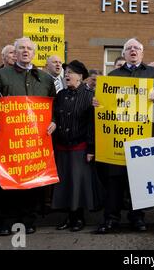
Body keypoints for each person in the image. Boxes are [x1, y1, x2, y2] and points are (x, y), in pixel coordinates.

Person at [0, 37, 56, 236]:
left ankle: (28, 219)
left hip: (35, 140)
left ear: (34, 53)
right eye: (21, 48)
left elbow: (54, 106)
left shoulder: (46, 78)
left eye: (29, 49)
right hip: (8, 138)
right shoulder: (1, 75)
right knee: (7, 180)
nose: (25, 51)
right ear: (14, 53)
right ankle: (6, 221)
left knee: (32, 180)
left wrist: (53, 122)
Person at [94, 38, 154, 234]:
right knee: (114, 180)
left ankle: (137, 218)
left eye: (137, 48)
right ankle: (111, 218)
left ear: (142, 53)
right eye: (129, 48)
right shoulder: (113, 75)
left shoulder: (153, 73)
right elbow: (108, 104)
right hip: (118, 135)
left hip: (142, 135)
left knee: (138, 179)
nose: (133, 50)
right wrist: (99, 104)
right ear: (124, 54)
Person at [52, 60, 102, 232]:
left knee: (78, 184)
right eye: (66, 72)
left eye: (71, 72)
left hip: (79, 147)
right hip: (62, 146)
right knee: (64, 184)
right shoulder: (60, 95)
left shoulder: (90, 96)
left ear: (80, 76)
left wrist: (91, 149)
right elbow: (54, 118)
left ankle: (78, 218)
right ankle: (68, 217)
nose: (67, 74)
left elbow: (92, 125)